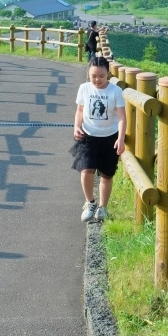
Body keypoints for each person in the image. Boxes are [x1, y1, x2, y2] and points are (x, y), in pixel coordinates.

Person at [70, 56, 126, 222]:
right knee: (86, 170)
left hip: (110, 137)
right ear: (89, 73)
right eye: (94, 75)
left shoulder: (115, 91)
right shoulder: (84, 88)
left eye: (101, 76)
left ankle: (102, 208)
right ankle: (90, 202)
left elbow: (122, 117)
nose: (97, 79)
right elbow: (80, 110)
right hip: (88, 136)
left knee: (106, 175)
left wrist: (121, 138)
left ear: (107, 73)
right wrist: (76, 126)